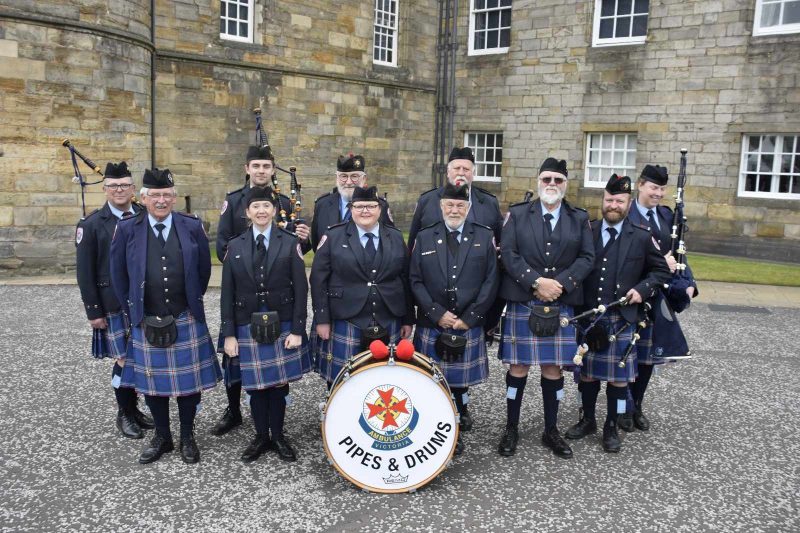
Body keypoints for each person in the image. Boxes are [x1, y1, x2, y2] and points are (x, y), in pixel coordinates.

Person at [110, 168, 221, 464]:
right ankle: (163, 436)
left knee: (189, 385)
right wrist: (133, 309)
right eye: (155, 195)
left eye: (167, 195)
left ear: (174, 197)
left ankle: (187, 435)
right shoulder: (127, 228)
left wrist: (190, 301)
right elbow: (118, 274)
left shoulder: (191, 225)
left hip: (185, 315)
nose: (161, 200)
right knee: (151, 383)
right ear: (143, 197)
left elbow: (203, 270)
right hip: (146, 317)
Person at [564, 174, 671, 452]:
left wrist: (642, 289)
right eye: (609, 200)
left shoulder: (642, 235)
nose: (614, 205)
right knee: (587, 374)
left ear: (629, 202)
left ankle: (611, 425)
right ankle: (588, 419)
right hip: (589, 315)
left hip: (621, 318)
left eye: (620, 201)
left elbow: (660, 271)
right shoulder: (588, 230)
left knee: (618, 377)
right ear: (603, 201)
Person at [496, 157, 594, 458]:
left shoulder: (578, 218)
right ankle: (511, 426)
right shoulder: (517, 214)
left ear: (565, 184)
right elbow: (508, 254)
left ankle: (550, 429)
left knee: (553, 368)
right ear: (538, 181)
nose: (552, 184)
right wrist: (537, 282)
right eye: (547, 179)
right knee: (518, 366)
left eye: (558, 180)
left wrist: (560, 284)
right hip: (524, 299)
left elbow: (587, 257)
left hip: (561, 302)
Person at [213, 145, 310, 437]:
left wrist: (304, 240)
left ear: (272, 170)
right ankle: (234, 411)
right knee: (236, 366)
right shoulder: (234, 201)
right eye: (256, 166)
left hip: (277, 300)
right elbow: (223, 248)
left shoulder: (283, 201)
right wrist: (246, 258)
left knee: (276, 376)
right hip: (245, 293)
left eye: (266, 167)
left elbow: (294, 251)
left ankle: (275, 432)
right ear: (247, 169)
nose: (261, 171)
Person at [409, 182, 499, 454]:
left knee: (459, 384)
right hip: (433, 323)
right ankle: (434, 424)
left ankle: (455, 427)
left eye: (460, 205)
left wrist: (470, 318)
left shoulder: (484, 236)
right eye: (450, 204)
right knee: (431, 379)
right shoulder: (424, 237)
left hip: (466, 323)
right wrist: (437, 314)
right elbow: (414, 279)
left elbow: (491, 280)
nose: (455, 209)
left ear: (469, 208)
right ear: (441, 206)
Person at [75, 161, 153, 439]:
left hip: (143, 300)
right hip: (112, 303)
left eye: (124, 185)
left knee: (142, 357)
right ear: (105, 189)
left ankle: (136, 409)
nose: (119, 190)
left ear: (133, 189)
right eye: (113, 186)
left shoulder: (145, 215)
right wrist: (93, 311)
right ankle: (125, 413)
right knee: (123, 359)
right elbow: (84, 272)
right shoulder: (92, 224)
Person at [310, 185, 414, 386]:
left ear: (380, 209)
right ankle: (338, 415)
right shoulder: (333, 236)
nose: (365, 211)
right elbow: (318, 279)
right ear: (351, 208)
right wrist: (322, 318)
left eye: (370, 206)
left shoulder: (394, 236)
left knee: (383, 376)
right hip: (346, 318)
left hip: (388, 317)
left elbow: (405, 278)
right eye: (359, 206)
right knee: (341, 378)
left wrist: (407, 318)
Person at [623, 164, 699, 432]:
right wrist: (658, 263)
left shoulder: (666, 216)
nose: (658, 193)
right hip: (633, 292)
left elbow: (679, 253)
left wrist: (689, 283)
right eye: (654, 187)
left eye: (662, 188)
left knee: (647, 356)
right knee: (627, 352)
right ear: (640, 185)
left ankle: (637, 404)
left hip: (660, 296)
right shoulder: (626, 214)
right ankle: (624, 405)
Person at [303, 153, 393, 253]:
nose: (349, 182)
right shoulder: (322, 204)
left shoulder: (379, 205)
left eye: (354, 176)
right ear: (336, 178)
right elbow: (317, 246)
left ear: (364, 178)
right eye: (343, 176)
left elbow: (389, 243)